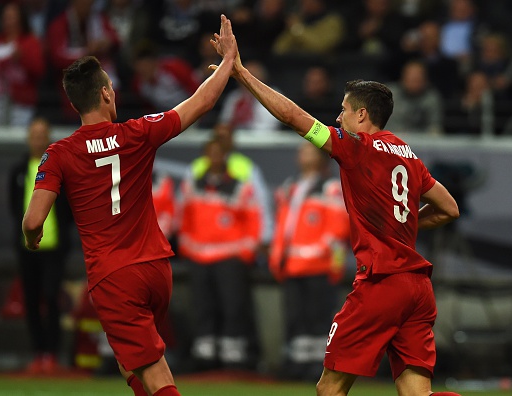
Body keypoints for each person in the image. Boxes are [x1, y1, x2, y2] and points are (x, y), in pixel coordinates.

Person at [210, 19, 461, 396]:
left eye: (343, 110)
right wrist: (405, 227)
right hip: (417, 288)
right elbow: (449, 208)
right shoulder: (409, 156)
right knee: (417, 394)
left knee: (329, 388)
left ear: (362, 115)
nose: (338, 117)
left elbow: (294, 117)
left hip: (381, 285)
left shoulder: (355, 147)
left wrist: (241, 73)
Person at [22, 15, 238, 396]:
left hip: (114, 277)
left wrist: (31, 236)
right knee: (130, 364)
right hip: (156, 269)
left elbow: (33, 218)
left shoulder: (59, 154)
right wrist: (228, 61)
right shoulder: (138, 132)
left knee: (154, 374)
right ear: (105, 94)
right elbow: (202, 101)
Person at [178, 138, 261, 371]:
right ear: (205, 156)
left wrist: (246, 250)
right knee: (203, 307)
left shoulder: (240, 186)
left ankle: (233, 357)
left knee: (232, 307)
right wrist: (186, 246)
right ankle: (206, 356)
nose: (215, 157)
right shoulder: (193, 184)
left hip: (230, 256)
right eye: (210, 153)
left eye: (219, 152)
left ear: (226, 156)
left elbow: (253, 219)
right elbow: (183, 217)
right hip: (198, 256)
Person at [270, 141, 349, 381]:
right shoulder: (291, 187)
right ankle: (296, 362)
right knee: (295, 318)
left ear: (322, 157)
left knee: (318, 318)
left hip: (319, 265)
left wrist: (330, 260)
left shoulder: (331, 188)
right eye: (301, 150)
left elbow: (339, 228)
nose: (301, 153)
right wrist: (278, 256)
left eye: (307, 150)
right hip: (293, 266)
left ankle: (318, 365)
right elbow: (283, 226)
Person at [9, 117, 73, 374]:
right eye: (34, 135)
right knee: (32, 301)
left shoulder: (59, 166)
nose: (37, 139)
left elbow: (67, 208)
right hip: (27, 249)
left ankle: (52, 355)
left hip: (54, 249)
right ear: (28, 138)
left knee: (51, 297)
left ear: (48, 137)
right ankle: (38, 353)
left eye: (42, 134)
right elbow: (14, 207)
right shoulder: (19, 171)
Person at [0, 2, 45, 126]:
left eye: (12, 17)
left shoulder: (30, 42)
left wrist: (22, 58)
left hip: (21, 104)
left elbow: (39, 70)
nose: (8, 21)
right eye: (5, 17)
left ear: (21, 19)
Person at [385, 60, 444, 135]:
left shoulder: (431, 99)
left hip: (420, 143)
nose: (413, 82)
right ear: (403, 77)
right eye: (411, 78)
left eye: (417, 79)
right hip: (388, 141)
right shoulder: (388, 94)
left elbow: (435, 127)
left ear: (425, 80)